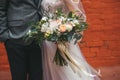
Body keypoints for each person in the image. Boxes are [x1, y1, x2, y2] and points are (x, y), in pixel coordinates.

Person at [41, 0, 101, 80]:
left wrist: (68, 26)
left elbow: (76, 13)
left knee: (66, 66)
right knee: (53, 65)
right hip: (48, 37)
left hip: (63, 36)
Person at [0, 0, 43, 80]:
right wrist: (4, 35)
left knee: (37, 77)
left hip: (38, 36)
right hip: (15, 36)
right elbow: (1, 8)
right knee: (18, 76)